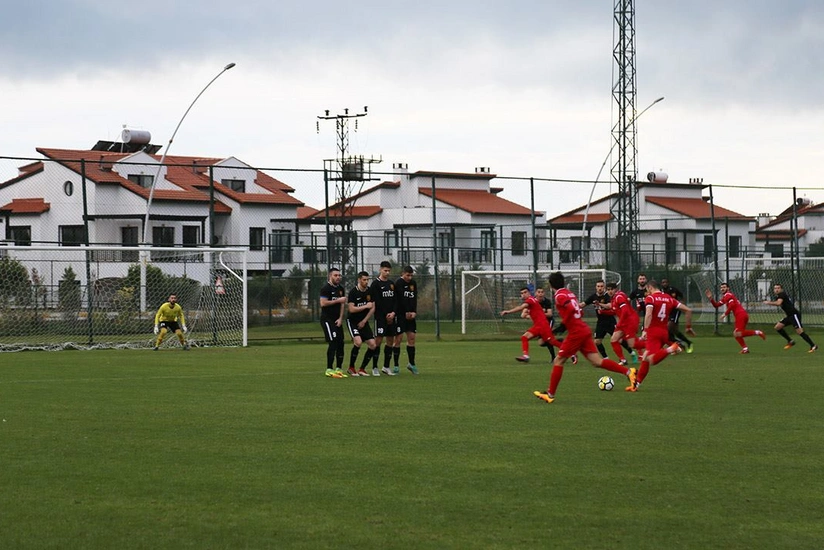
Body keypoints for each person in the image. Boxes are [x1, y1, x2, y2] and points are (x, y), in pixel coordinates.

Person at [533, 272, 636, 404]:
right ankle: (629, 372)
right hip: (582, 329)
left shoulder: (559, 295)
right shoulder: (570, 293)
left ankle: (550, 394)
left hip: (576, 333)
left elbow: (570, 309)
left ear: (551, 285)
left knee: (558, 360)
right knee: (597, 361)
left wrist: (563, 325)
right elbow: (579, 311)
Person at [630, 279, 693, 392]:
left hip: (653, 332)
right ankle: (637, 383)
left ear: (650, 287)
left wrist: (645, 330)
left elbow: (648, 314)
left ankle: (671, 348)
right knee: (645, 357)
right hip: (664, 332)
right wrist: (688, 327)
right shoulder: (669, 298)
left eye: (647, 290)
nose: (647, 292)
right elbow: (688, 310)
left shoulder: (651, 298)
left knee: (651, 359)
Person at [501, 286, 562, 363]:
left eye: (525, 292)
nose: (523, 294)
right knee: (524, 337)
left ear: (529, 293)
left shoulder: (530, 300)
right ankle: (526, 356)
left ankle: (571, 353)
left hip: (543, 325)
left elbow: (521, 307)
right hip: (538, 325)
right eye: (522, 293)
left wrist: (508, 311)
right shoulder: (532, 300)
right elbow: (524, 313)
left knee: (552, 342)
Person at [705, 282, 766, 353]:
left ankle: (757, 332)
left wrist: (725, 314)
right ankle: (745, 349)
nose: (722, 289)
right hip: (741, 315)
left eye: (724, 287)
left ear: (728, 288)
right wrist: (711, 298)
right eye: (721, 287)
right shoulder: (725, 297)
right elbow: (716, 305)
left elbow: (732, 305)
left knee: (739, 333)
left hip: (740, 315)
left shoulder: (728, 295)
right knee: (736, 333)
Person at [584, 279, 636, 362]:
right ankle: (606, 359)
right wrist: (575, 306)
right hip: (600, 323)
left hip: (610, 322)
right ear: (596, 287)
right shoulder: (593, 297)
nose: (600, 288)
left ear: (604, 287)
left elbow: (610, 306)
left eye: (601, 286)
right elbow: (584, 304)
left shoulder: (609, 296)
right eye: (598, 286)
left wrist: (600, 305)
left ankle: (631, 353)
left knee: (619, 340)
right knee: (597, 341)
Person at [763, 283, 817, 352]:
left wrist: (768, 302)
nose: (776, 289)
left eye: (778, 288)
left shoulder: (782, 294)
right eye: (775, 288)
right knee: (778, 327)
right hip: (789, 316)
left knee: (800, 332)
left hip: (794, 315)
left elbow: (778, 303)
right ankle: (790, 341)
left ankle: (813, 346)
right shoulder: (779, 296)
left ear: (781, 289)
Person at [369, 260, 399, 376]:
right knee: (378, 341)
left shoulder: (391, 284)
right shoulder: (375, 284)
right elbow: (377, 302)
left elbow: (396, 300)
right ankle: (374, 367)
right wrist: (386, 315)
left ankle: (386, 366)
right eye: (385, 270)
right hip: (381, 318)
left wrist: (393, 313)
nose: (387, 273)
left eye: (388, 271)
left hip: (391, 317)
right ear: (381, 270)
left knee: (390, 341)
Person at [603, 282, 645, 364]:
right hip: (624, 321)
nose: (610, 291)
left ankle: (652, 345)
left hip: (630, 321)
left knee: (632, 344)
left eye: (612, 289)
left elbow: (625, 311)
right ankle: (623, 360)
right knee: (614, 340)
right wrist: (603, 312)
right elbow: (616, 311)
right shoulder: (614, 298)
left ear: (616, 289)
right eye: (608, 290)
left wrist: (620, 323)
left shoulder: (619, 297)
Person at [346, 271, 377, 377]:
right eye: (364, 280)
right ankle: (351, 367)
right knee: (358, 342)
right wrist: (364, 307)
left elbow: (372, 308)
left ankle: (362, 369)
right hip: (353, 321)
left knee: (373, 344)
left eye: (367, 279)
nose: (366, 282)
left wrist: (364, 321)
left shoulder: (370, 291)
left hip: (363, 321)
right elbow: (351, 309)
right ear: (359, 280)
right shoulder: (353, 292)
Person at [319, 267, 347, 378]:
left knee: (341, 343)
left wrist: (340, 318)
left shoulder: (340, 289)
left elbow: (342, 305)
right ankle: (329, 369)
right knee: (333, 342)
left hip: (337, 320)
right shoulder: (325, 288)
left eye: (339, 275)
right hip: (327, 319)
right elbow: (323, 303)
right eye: (335, 275)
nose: (338, 277)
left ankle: (338, 368)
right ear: (330, 276)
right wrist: (337, 300)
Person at [394, 265, 420, 375]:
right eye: (407, 275)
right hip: (400, 316)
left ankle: (411, 364)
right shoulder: (398, 283)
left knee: (412, 338)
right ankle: (396, 366)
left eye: (411, 275)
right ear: (403, 274)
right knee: (398, 339)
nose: (409, 278)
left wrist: (414, 311)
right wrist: (404, 312)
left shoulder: (413, 284)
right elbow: (398, 300)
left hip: (411, 316)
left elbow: (414, 298)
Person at [660, 278, 696, 353]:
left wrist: (682, 303)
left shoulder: (673, 289)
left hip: (675, 311)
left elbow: (681, 295)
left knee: (668, 329)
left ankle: (678, 345)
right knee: (674, 331)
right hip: (668, 311)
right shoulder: (661, 292)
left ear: (668, 283)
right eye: (663, 282)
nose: (664, 284)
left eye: (666, 282)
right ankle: (687, 343)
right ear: (661, 284)